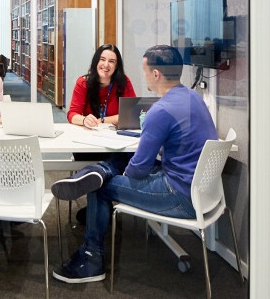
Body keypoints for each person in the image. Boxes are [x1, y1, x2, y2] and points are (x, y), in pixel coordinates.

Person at [51, 45, 218, 284]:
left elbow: (138, 169)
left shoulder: (159, 111)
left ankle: (91, 260)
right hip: (204, 194)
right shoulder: (193, 97)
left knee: (100, 186)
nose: (144, 76)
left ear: (156, 74)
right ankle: (99, 172)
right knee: (107, 173)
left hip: (180, 196)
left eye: (145, 70)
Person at [67, 43, 136, 224]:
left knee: (117, 158)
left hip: (115, 143)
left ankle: (95, 208)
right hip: (88, 144)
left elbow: (131, 113)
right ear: (96, 61)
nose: (106, 65)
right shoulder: (83, 82)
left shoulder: (124, 83)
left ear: (117, 66)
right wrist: (84, 120)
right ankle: (100, 207)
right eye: (103, 59)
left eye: (112, 61)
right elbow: (72, 114)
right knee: (109, 164)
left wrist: (104, 120)